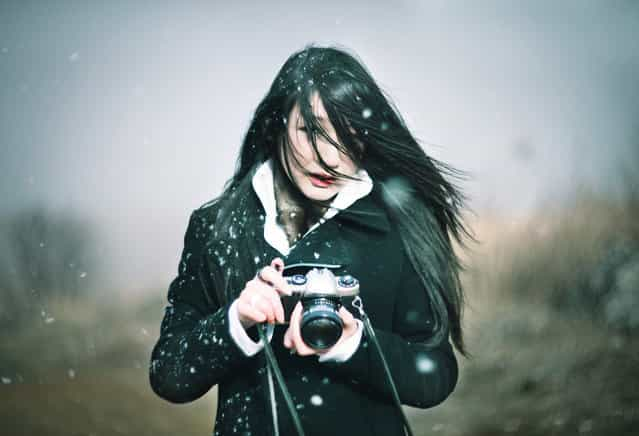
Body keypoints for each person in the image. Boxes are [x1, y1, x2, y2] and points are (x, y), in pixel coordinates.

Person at [149, 44, 470, 436]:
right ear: (278, 124)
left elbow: (435, 375)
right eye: (312, 130)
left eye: (351, 135)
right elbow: (169, 374)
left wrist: (354, 346)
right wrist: (236, 321)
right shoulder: (214, 227)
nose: (331, 159)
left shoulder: (398, 229)